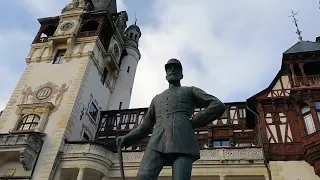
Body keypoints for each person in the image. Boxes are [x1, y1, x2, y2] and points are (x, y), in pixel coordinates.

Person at [117, 58, 226, 180]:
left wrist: (195, 121)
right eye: (169, 68)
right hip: (157, 142)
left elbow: (217, 104)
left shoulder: (190, 90)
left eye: (176, 68)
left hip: (183, 141)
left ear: (182, 74)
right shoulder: (157, 99)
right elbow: (145, 127)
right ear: (166, 75)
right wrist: (127, 138)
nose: (172, 70)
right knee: (143, 177)